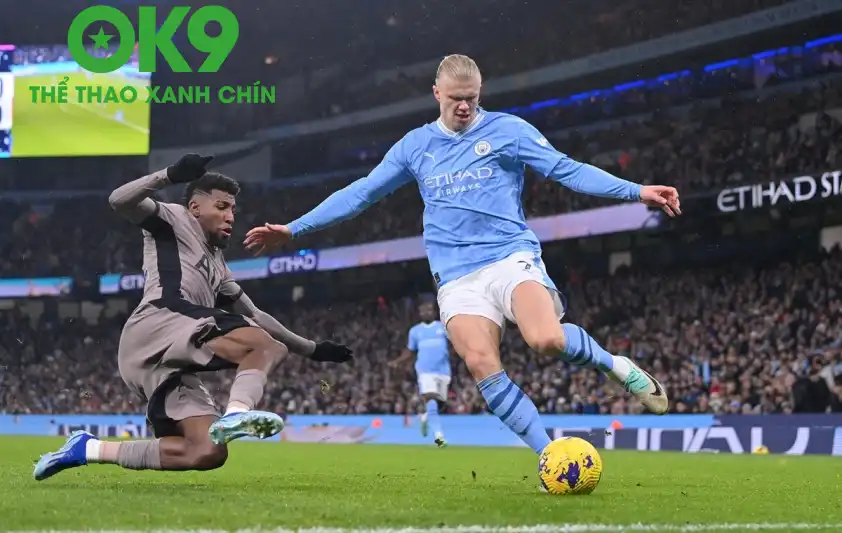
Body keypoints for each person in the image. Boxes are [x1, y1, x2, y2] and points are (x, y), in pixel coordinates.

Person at [244, 55, 679, 457]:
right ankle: (549, 456)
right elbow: (361, 193)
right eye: (456, 99)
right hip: (455, 277)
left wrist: (636, 191)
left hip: (509, 257)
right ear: (437, 93)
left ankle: (616, 366)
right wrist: (294, 228)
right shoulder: (415, 146)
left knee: (547, 340)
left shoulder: (509, 131)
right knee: (482, 364)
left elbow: (567, 170)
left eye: (472, 98)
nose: (465, 106)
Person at [33, 154, 353, 481]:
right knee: (265, 346)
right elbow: (119, 200)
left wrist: (314, 350)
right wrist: (170, 175)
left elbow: (256, 314)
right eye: (222, 207)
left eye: (233, 210)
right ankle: (237, 413)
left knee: (207, 451)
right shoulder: (174, 219)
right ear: (196, 208)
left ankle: (88, 449)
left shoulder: (219, 266)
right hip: (160, 322)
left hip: (161, 357)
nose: (230, 216)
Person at [389, 300, 451, 447]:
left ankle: (425, 417)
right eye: (423, 311)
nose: (426, 313)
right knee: (431, 399)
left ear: (434, 312)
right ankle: (439, 436)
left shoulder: (442, 327)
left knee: (440, 403)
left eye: (429, 310)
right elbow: (410, 351)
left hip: (443, 371)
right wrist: (398, 361)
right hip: (425, 371)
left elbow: (454, 344)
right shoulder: (415, 331)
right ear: (419, 314)